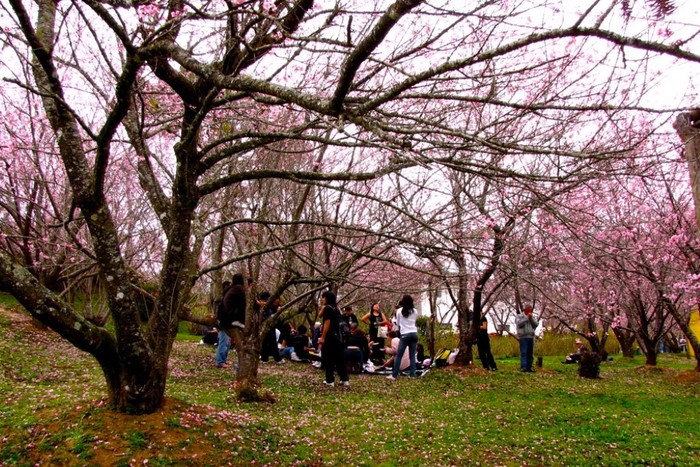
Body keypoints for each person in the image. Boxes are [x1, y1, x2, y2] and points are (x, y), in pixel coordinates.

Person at [318, 291, 349, 387]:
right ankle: (344, 379)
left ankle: (330, 380)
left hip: (330, 336)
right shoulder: (336, 308)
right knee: (340, 358)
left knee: (329, 358)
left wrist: (323, 337)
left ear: (327, 298)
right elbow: (320, 315)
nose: (322, 299)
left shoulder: (328, 308)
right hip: (339, 336)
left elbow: (327, 323)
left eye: (323, 297)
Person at [387, 295, 419, 380]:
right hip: (414, 333)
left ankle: (394, 375)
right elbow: (414, 321)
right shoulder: (415, 311)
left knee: (399, 355)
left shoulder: (399, 311)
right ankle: (412, 374)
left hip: (405, 334)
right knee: (412, 356)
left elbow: (398, 323)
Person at [220, 274, 247, 370]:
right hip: (232, 317)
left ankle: (239, 365)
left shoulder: (230, 288)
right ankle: (240, 366)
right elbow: (244, 304)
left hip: (225, 317)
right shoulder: (239, 289)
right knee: (240, 344)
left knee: (227, 343)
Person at [259, 291, 283, 364]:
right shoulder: (266, 306)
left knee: (266, 342)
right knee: (271, 343)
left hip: (267, 326)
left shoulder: (266, 306)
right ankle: (276, 359)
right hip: (268, 326)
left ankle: (265, 358)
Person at [516, 304, 539, 372]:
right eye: (528, 310)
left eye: (530, 310)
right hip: (523, 337)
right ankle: (524, 367)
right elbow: (519, 324)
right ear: (525, 310)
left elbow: (536, 324)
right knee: (524, 352)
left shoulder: (532, 316)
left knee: (530, 353)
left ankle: (529, 367)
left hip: (531, 336)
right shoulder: (519, 316)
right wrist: (526, 318)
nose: (530, 311)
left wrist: (531, 318)